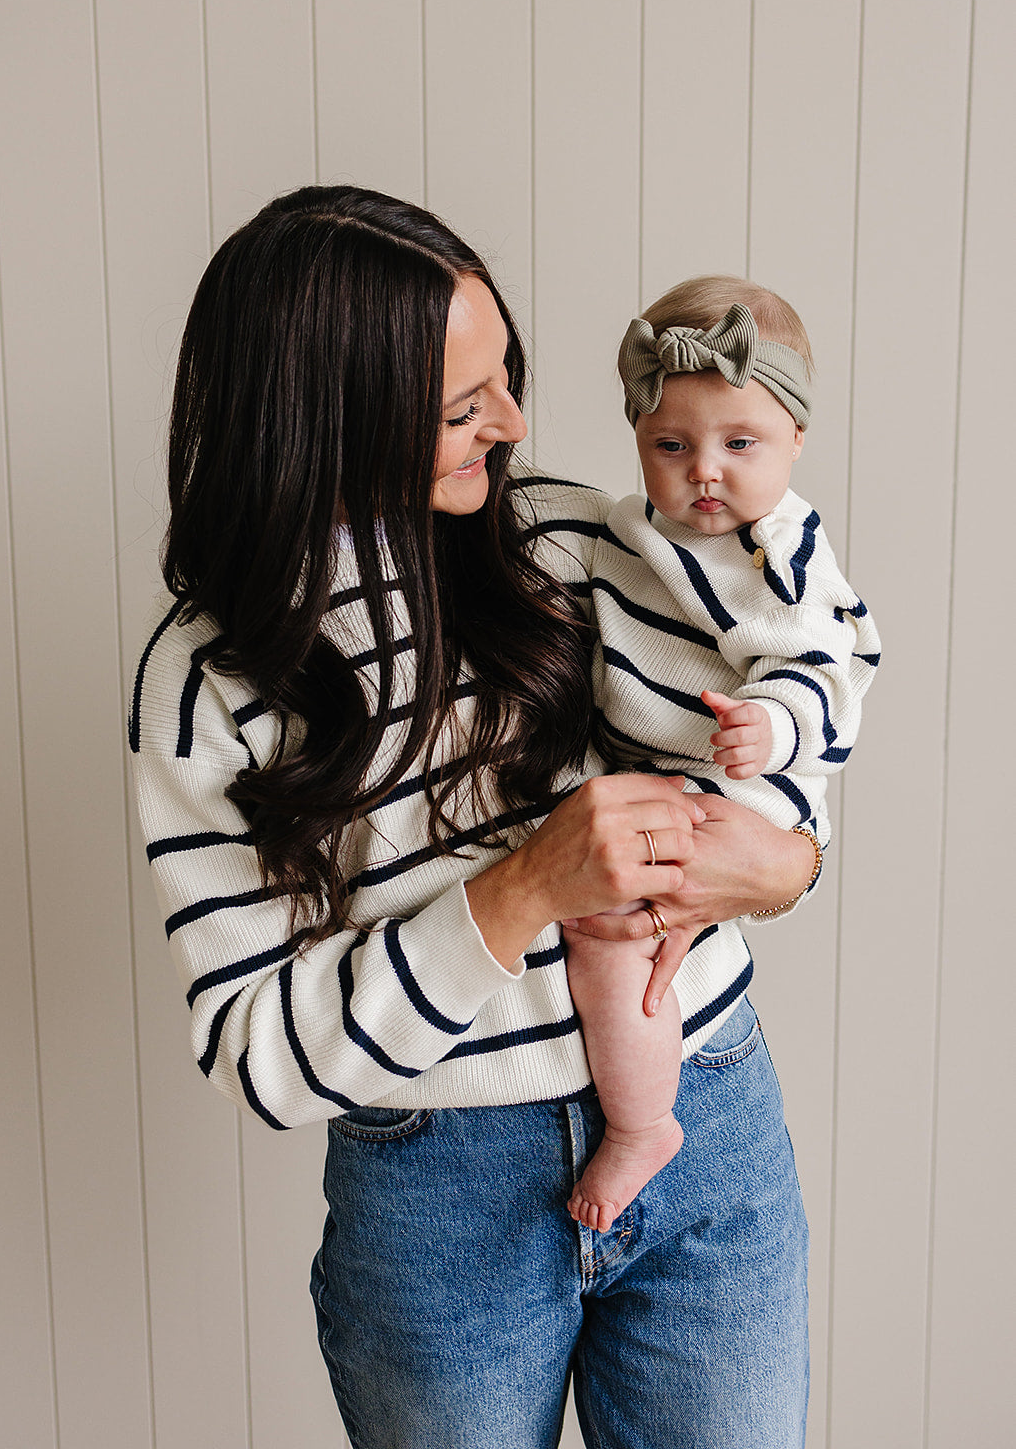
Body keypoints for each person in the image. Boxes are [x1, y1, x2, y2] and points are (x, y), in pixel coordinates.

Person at [129, 189, 820, 1449]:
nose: (510, 422)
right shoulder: (211, 679)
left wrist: (786, 863)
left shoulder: (577, 543)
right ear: (328, 416)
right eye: (462, 404)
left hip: (707, 1119)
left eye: (506, 377)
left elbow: (784, 683)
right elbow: (263, 1054)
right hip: (436, 1192)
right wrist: (518, 892)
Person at [565, 278, 879, 1235]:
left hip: (740, 784)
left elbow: (830, 665)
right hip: (662, 776)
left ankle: (643, 1123)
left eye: (738, 445)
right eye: (671, 446)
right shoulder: (627, 536)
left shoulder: (778, 550)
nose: (704, 471)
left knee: (612, 940)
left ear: (792, 441)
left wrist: (772, 725)